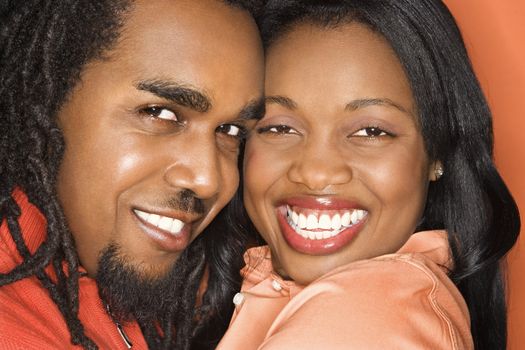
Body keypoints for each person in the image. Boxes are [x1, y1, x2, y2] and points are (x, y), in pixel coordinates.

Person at [217, 0, 520, 349]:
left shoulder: (359, 320)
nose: (315, 173)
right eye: (279, 128)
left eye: (371, 132)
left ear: (436, 152)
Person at [0, 0, 263, 349]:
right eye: (159, 112)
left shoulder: (188, 289)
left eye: (230, 130)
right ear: (46, 97)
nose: (208, 180)